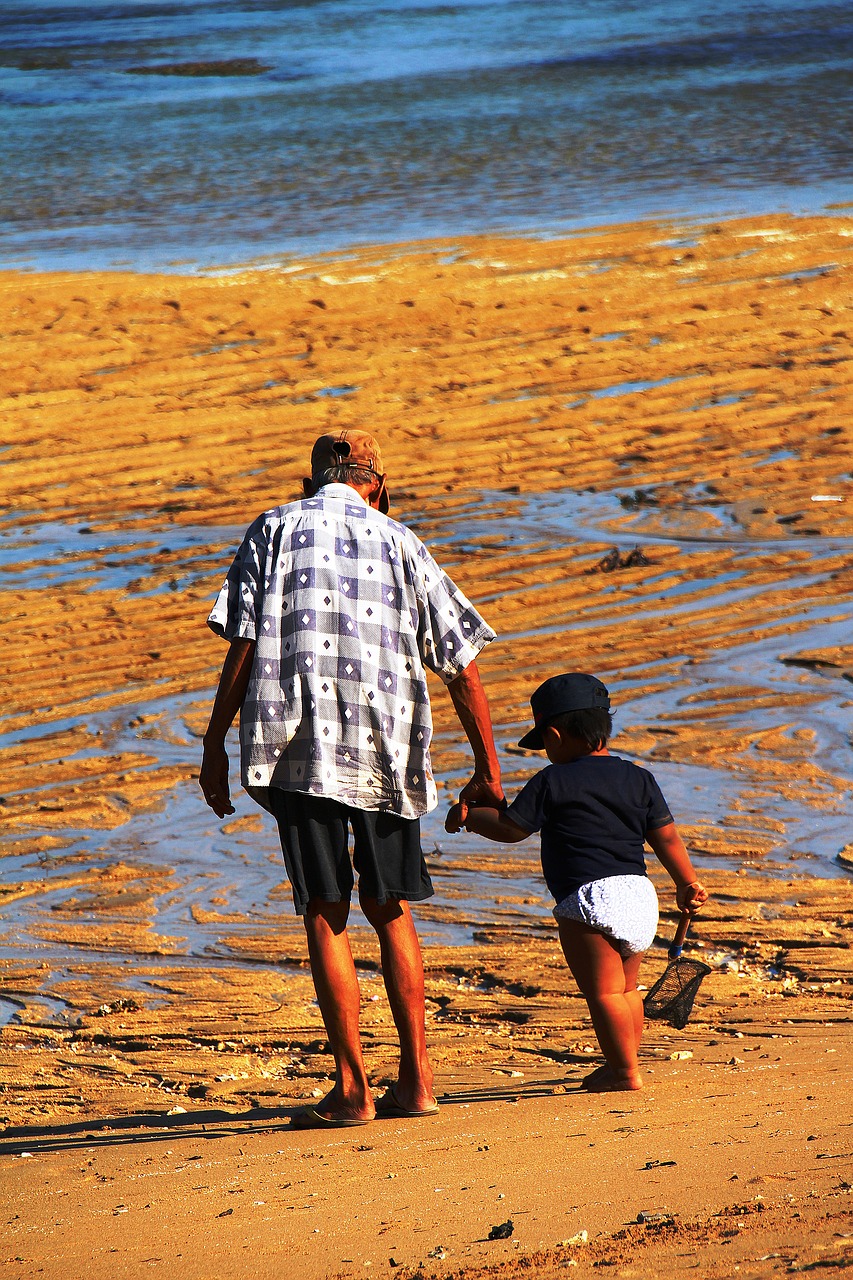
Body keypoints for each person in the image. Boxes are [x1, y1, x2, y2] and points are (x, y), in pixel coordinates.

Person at [200, 429, 503, 1127]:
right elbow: (461, 665)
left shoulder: (272, 527)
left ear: (311, 484)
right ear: (378, 488)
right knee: (390, 907)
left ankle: (352, 1089)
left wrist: (215, 743)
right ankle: (418, 1082)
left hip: (295, 746)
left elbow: (244, 644)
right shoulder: (401, 541)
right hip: (386, 745)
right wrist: (487, 770)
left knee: (324, 909)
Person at [445, 672, 708, 1093]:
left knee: (603, 994)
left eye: (545, 743)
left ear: (553, 734)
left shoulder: (553, 781)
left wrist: (469, 818)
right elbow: (667, 836)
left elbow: (512, 828)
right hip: (640, 898)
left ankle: (624, 1071)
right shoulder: (639, 777)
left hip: (589, 899)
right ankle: (624, 1060)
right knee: (626, 989)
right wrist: (686, 882)